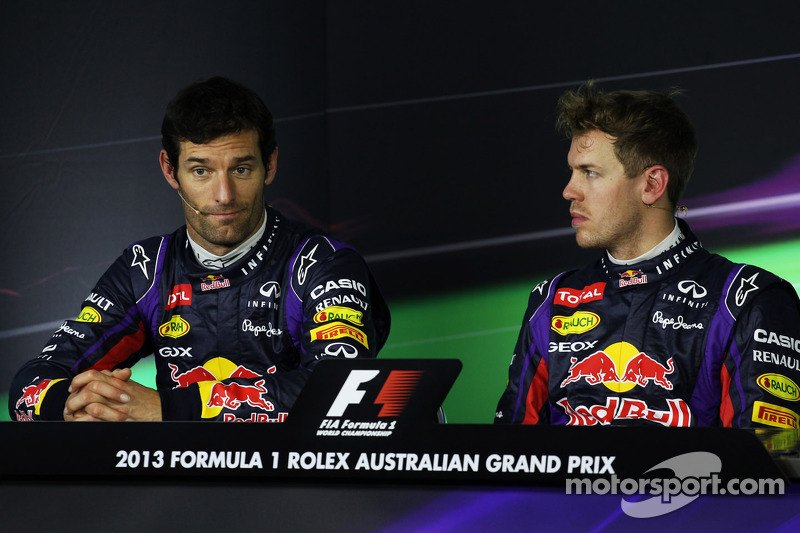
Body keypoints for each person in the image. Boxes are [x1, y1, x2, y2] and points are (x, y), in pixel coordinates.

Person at [10, 76, 390, 422]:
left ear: (269, 165)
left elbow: (342, 389)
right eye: (201, 171)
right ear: (169, 170)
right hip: (179, 492)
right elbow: (31, 383)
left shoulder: (323, 264)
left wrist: (168, 410)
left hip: (295, 490)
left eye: (241, 169)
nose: (224, 196)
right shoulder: (145, 269)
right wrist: (77, 405)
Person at [495, 82, 800, 427]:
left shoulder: (746, 300)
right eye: (572, 171)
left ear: (652, 184)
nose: (569, 191)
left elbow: (768, 467)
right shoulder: (551, 300)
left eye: (590, 172)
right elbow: (508, 456)